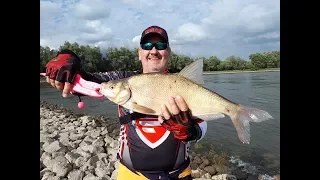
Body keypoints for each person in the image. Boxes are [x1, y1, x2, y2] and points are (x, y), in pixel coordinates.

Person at [44, 25, 208, 180]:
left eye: (161, 45)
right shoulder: (123, 80)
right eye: (147, 45)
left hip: (179, 175)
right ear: (139, 53)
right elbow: (90, 82)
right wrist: (68, 61)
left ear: (169, 52)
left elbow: (204, 121)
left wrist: (191, 131)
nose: (154, 50)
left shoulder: (182, 84)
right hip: (131, 175)